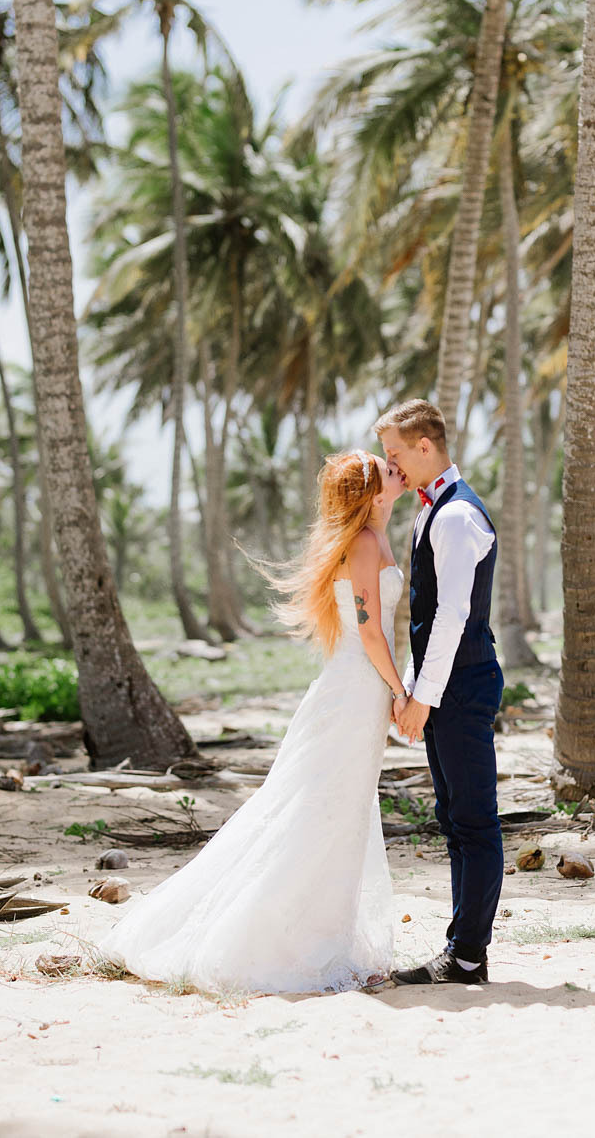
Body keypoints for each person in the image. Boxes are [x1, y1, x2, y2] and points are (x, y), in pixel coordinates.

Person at [97, 449, 407, 996]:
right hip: (356, 687)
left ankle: (327, 933)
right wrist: (400, 690)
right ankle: (284, 940)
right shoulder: (362, 544)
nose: (396, 469)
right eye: (387, 468)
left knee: (344, 808)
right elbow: (370, 632)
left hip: (363, 688)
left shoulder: (374, 538)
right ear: (371, 492)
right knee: (323, 807)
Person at [375, 400, 504, 986]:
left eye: (396, 452)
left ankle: (468, 957)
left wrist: (423, 698)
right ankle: (461, 948)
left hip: (461, 682)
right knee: (453, 817)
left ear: (425, 447)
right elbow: (427, 617)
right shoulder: (435, 510)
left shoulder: (454, 517)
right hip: (446, 680)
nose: (390, 464)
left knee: (473, 821)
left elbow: (451, 617)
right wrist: (411, 688)